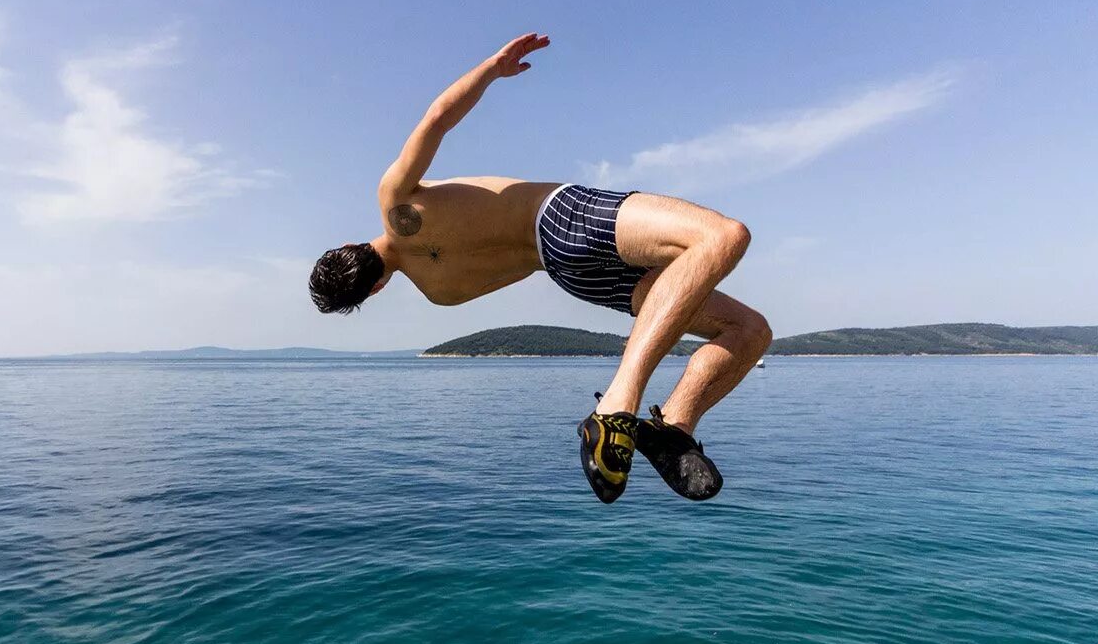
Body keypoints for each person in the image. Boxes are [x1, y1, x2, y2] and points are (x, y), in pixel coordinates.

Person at [309, 34, 771, 503]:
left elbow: (522, 270)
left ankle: (672, 430)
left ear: (375, 289)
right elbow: (438, 118)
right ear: (348, 244)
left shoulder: (440, 292)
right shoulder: (394, 200)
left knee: (749, 330)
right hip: (558, 217)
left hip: (566, 270)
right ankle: (618, 403)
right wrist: (492, 68)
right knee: (722, 236)